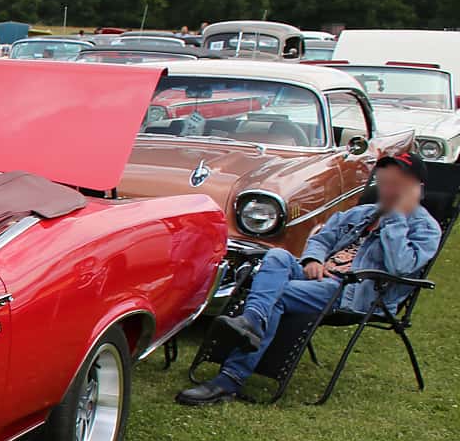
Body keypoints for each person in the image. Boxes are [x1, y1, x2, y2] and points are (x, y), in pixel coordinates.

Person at [177, 151, 442, 405]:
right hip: (320, 276)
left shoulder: (425, 228)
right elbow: (322, 238)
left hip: (354, 291)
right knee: (277, 257)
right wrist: (313, 259)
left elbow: (400, 266)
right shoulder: (360, 213)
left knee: (277, 295)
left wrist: (394, 217)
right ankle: (253, 322)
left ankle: (229, 380)